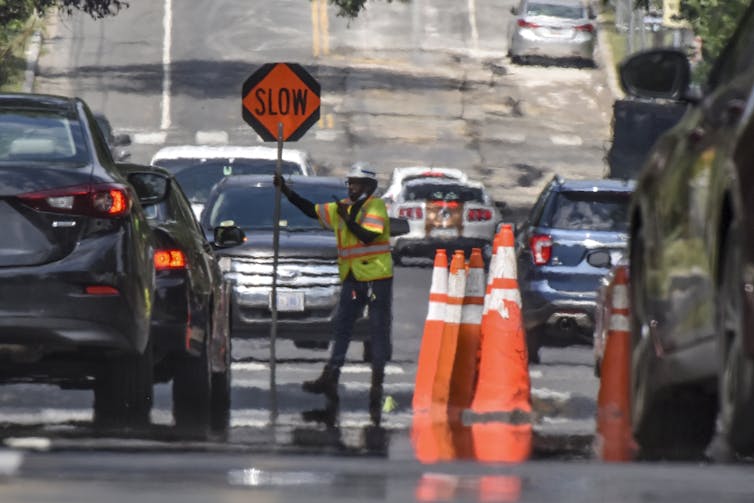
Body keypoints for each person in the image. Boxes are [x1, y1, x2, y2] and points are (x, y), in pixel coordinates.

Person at [273, 162, 393, 425]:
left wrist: (348, 218)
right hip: (352, 278)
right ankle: (331, 377)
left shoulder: (376, 207)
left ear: (369, 187)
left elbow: (368, 238)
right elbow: (311, 211)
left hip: (376, 279)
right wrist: (287, 192)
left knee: (376, 330)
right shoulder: (341, 208)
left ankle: (377, 385)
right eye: (349, 182)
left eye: (356, 183)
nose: (351, 187)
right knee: (342, 326)